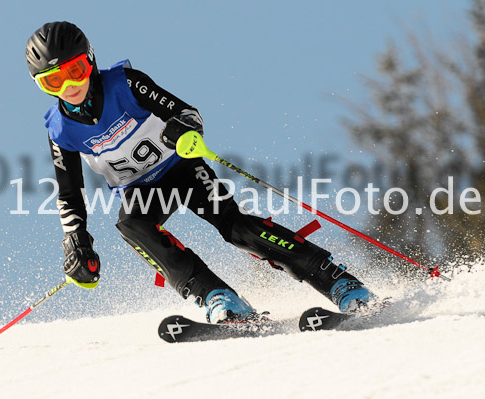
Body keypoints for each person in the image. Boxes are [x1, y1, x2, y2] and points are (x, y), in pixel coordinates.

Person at [25, 21, 377, 323]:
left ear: (91, 61)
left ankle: (337, 281)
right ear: (42, 87)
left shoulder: (126, 84)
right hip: (140, 190)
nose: (69, 85)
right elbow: (69, 194)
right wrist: (76, 239)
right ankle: (216, 298)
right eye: (53, 82)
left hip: (180, 168)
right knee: (132, 225)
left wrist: (184, 130)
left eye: (75, 71)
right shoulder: (60, 131)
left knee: (234, 226)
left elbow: (186, 112)